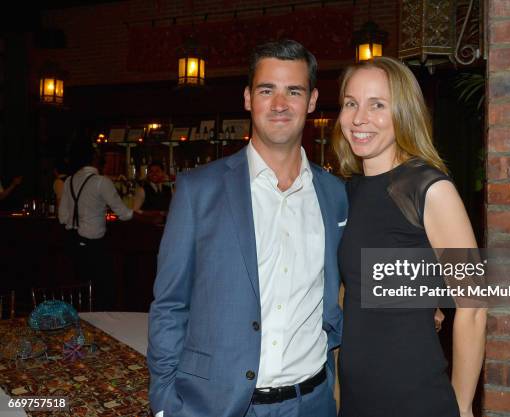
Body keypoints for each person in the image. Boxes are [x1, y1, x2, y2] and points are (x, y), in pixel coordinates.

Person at [147, 39, 347, 417]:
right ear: (247, 98)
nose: (279, 103)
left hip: (314, 403)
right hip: (219, 406)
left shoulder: (335, 194)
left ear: (313, 100)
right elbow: (170, 305)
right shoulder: (198, 190)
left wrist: (426, 298)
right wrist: (165, 402)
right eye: (266, 90)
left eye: (294, 91)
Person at [333, 56, 487, 417]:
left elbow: (474, 305)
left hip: (413, 396)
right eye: (351, 103)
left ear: (403, 113)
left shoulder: (426, 186)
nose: (359, 118)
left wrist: (461, 406)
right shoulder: (349, 191)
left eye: (378, 105)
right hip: (356, 395)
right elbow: (352, 289)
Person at [59, 140, 133, 310]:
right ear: (94, 158)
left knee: (81, 292)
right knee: (105, 293)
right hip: (94, 246)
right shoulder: (101, 181)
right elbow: (123, 213)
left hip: (72, 243)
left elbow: (62, 217)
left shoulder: (69, 180)